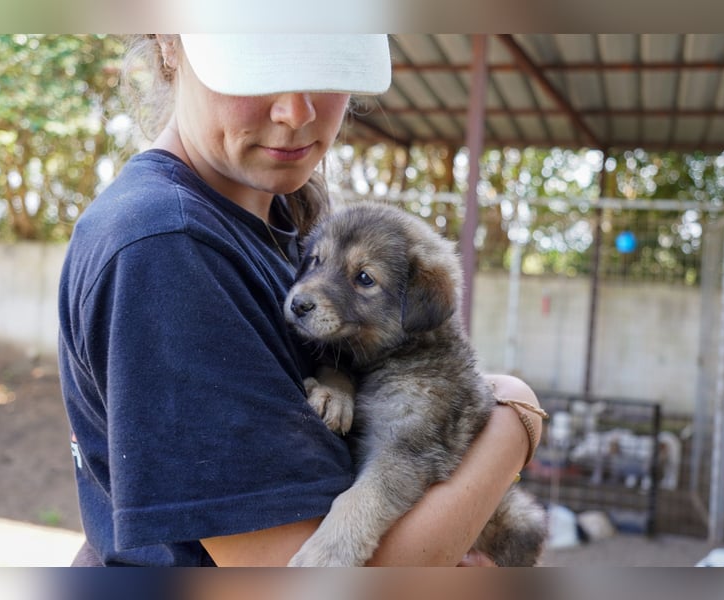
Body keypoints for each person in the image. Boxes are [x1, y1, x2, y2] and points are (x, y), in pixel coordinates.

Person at [58, 33, 545, 567]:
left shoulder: (282, 221)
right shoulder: (165, 245)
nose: (296, 111)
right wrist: (515, 421)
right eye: (258, 60)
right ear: (169, 42)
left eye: (325, 63)